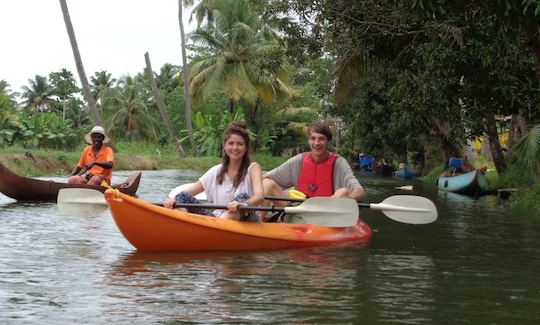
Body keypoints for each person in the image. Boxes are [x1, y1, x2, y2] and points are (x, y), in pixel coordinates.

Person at [163, 122, 264, 221]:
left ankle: (217, 225)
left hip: (242, 218)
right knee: (182, 196)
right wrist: (173, 200)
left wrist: (244, 204)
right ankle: (184, 223)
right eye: (231, 143)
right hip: (215, 219)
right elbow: (188, 192)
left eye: (240, 144)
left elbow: (259, 196)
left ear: (246, 148)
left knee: (242, 197)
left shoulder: (253, 168)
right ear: (224, 146)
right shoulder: (215, 171)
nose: (235, 147)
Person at [263, 122, 365, 207]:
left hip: (326, 210)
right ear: (308, 140)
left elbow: (359, 191)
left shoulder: (339, 163)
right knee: (267, 183)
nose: (316, 143)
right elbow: (267, 177)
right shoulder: (299, 160)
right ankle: (258, 223)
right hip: (297, 208)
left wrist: (348, 199)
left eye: (321, 139)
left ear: (328, 141)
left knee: (342, 192)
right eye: (313, 138)